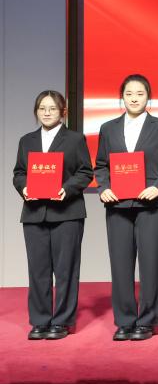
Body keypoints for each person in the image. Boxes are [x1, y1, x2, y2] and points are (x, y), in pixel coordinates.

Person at [94, 74, 158, 341]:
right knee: (120, 265)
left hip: (151, 205)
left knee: (151, 264)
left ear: (148, 97)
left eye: (140, 93)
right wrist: (104, 187)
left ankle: (147, 321)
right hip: (117, 205)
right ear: (122, 97)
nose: (134, 98)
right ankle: (124, 321)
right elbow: (101, 165)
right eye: (129, 93)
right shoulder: (108, 128)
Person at [12, 90, 93, 340]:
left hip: (67, 213)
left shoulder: (75, 139)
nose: (47, 113)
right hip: (34, 213)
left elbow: (85, 172)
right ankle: (40, 321)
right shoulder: (27, 141)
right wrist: (24, 188)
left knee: (66, 269)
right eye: (42, 108)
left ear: (63, 112)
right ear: (36, 112)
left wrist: (66, 189)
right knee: (38, 270)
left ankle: (62, 321)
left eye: (52, 108)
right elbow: (19, 173)